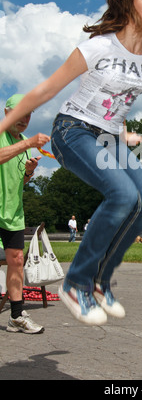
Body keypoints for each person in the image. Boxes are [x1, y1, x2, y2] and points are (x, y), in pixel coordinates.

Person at [0, 0, 142, 327]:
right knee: (122, 195)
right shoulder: (98, 47)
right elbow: (45, 90)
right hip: (72, 130)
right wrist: (4, 125)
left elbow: (116, 105)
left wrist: (124, 132)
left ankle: (100, 281)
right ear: (128, 4)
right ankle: (76, 283)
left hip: (108, 134)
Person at [0, 94, 50, 334]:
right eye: (21, 113)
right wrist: (27, 144)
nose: (25, 119)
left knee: (17, 261)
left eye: (29, 114)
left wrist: (29, 173)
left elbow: (19, 180)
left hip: (12, 212)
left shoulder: (20, 145)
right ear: (7, 112)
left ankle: (17, 316)